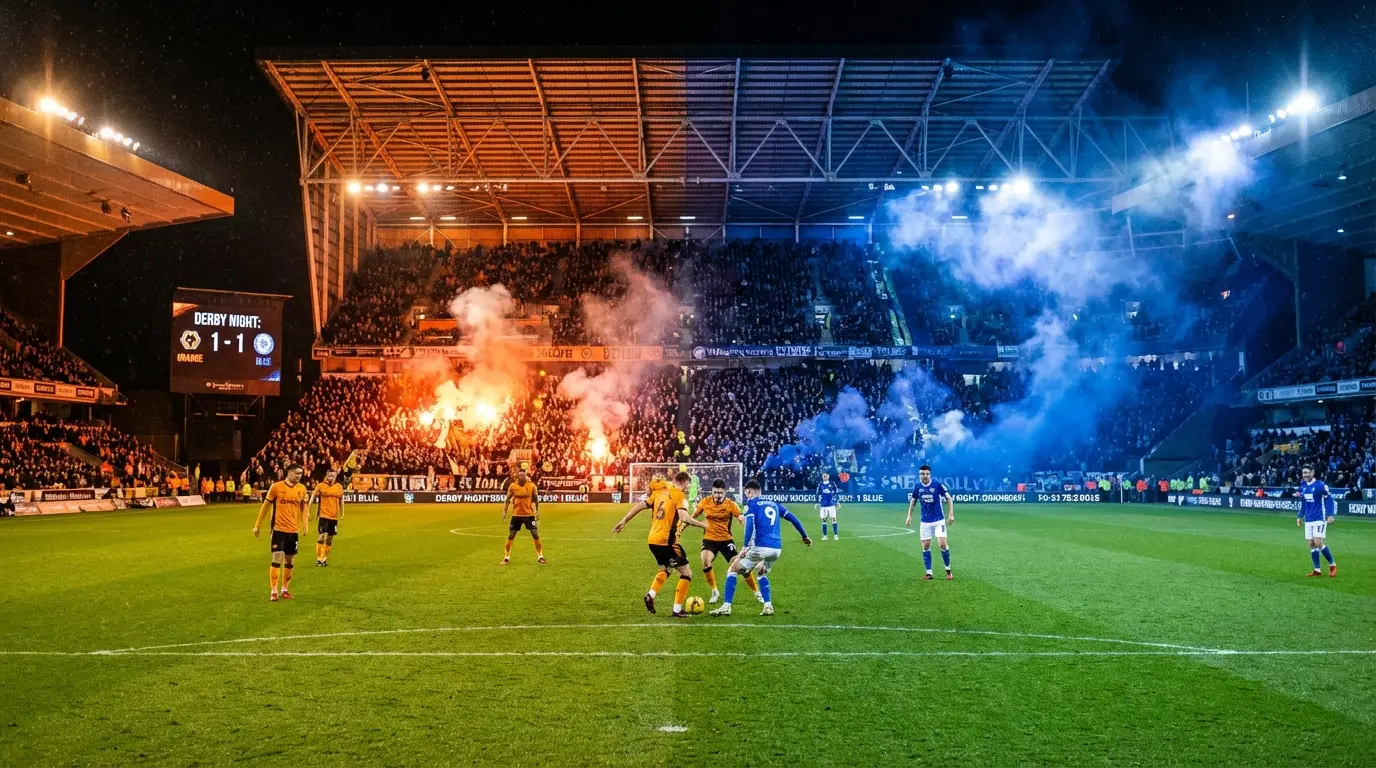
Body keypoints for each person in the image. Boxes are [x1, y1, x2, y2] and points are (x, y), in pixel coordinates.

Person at [613, 470, 708, 618]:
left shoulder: (660, 493)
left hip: (652, 540)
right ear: (685, 482)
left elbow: (640, 505)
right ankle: (677, 610)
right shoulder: (679, 495)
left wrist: (624, 520)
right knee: (687, 573)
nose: (689, 488)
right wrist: (703, 525)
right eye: (688, 484)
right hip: (667, 541)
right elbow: (684, 517)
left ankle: (650, 595)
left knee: (667, 568)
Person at [709, 479, 810, 617]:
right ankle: (768, 606)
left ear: (749, 491)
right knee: (761, 571)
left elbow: (749, 526)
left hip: (761, 545)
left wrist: (745, 547)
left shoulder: (752, 504)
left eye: (746, 493)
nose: (746, 496)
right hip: (776, 549)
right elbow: (792, 518)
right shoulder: (774, 503)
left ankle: (726, 606)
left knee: (732, 569)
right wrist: (804, 536)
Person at [691, 478, 760, 604]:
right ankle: (714, 591)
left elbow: (739, 516)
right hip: (709, 539)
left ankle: (756, 592)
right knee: (705, 561)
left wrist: (742, 520)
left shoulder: (730, 504)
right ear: (712, 491)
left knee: (741, 566)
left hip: (726, 539)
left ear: (725, 492)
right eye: (715, 492)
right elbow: (692, 517)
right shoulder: (705, 502)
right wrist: (681, 527)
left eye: (720, 493)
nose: (718, 495)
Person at [252, 465, 309, 602]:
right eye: (296, 473)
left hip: (293, 531)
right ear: (289, 472)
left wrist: (305, 525)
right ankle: (273, 591)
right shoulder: (276, 487)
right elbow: (265, 506)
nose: (299, 476)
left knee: (290, 561)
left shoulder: (302, 489)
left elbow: (304, 507)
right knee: (276, 559)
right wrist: (257, 525)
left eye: (300, 474)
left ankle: (285, 589)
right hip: (278, 530)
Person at [905, 465, 955, 580]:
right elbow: (913, 502)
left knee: (942, 544)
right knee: (926, 546)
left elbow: (949, 498)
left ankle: (948, 570)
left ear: (930, 474)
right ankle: (929, 573)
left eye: (927, 474)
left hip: (938, 520)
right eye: (922, 474)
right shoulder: (917, 487)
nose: (925, 476)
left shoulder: (937, 485)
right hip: (925, 522)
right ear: (919, 475)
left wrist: (951, 514)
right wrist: (909, 517)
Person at [1297, 465, 1337, 578]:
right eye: (1304, 473)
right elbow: (1304, 503)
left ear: (1313, 472)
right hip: (1308, 519)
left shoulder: (1320, 486)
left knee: (1318, 542)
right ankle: (1317, 569)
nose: (1306, 475)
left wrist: (1330, 515)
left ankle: (1332, 565)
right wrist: (1299, 516)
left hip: (1320, 517)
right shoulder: (1303, 486)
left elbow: (1330, 500)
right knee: (1311, 544)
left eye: (1308, 472)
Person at [501, 466, 545, 565]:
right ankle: (506, 557)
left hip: (529, 515)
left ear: (525, 476)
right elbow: (507, 499)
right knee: (511, 535)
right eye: (519, 475)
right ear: (517, 477)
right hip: (516, 515)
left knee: (535, 534)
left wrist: (537, 511)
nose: (521, 477)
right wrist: (504, 511)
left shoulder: (531, 486)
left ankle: (540, 556)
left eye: (523, 475)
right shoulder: (512, 486)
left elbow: (536, 499)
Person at [311, 469, 345, 567]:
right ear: (327, 475)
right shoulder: (321, 486)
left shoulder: (338, 487)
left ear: (335, 476)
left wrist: (342, 513)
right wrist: (309, 508)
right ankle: (319, 558)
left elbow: (341, 500)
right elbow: (313, 495)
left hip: (334, 517)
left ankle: (324, 558)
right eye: (330, 475)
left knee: (329, 538)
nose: (331, 477)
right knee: (322, 536)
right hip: (323, 515)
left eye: (333, 475)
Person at [815, 471, 840, 540]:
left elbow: (836, 492)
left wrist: (837, 502)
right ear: (822, 477)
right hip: (823, 505)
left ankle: (835, 535)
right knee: (824, 520)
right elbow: (817, 494)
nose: (825, 477)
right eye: (823, 476)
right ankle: (825, 536)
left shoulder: (832, 483)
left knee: (833, 519)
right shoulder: (820, 484)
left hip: (831, 505)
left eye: (826, 476)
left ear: (828, 476)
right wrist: (817, 503)